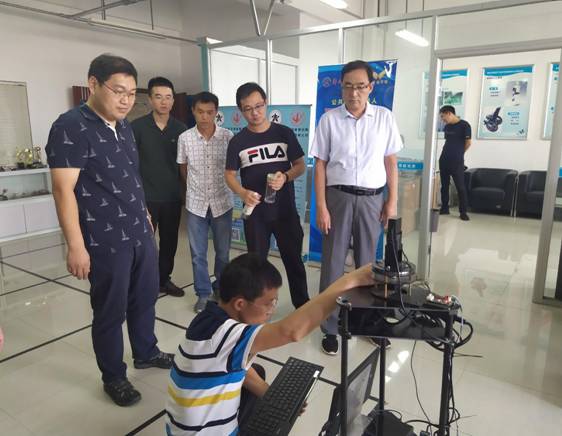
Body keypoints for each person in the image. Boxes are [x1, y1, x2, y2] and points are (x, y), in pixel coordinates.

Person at [45, 54, 173, 407]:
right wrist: (75, 246)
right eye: (118, 91)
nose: (126, 100)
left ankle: (146, 351)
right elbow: (63, 190)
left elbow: (129, 175)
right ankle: (114, 376)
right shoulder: (71, 126)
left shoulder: (124, 126)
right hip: (105, 239)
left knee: (145, 298)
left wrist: (144, 211)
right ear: (93, 84)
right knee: (110, 311)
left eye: (132, 93)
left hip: (139, 231)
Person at [165, 253, 375, 435]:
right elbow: (291, 331)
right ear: (240, 304)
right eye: (268, 303)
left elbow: (242, 370)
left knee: (257, 370)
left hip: (183, 428)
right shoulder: (224, 335)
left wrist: (273, 397)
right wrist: (350, 280)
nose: (271, 310)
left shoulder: (210, 318)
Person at [310, 60, 403, 355]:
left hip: (373, 199)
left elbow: (390, 161)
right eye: (348, 86)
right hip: (337, 198)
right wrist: (321, 206)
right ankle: (330, 327)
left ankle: (368, 323)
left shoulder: (384, 118)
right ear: (341, 87)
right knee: (333, 264)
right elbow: (320, 165)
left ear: (370, 87)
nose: (354, 93)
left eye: (360, 86)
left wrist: (392, 200)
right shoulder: (329, 120)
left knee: (368, 266)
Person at [225, 82, 309, 309]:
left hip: (285, 212)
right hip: (256, 216)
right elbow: (229, 175)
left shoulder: (284, 133)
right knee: (257, 267)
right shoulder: (238, 142)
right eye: (248, 108)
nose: (255, 113)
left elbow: (300, 165)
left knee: (294, 261)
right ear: (240, 111)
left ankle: (302, 306)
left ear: (266, 103)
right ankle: (259, 308)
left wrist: (286, 176)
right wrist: (242, 192)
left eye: (259, 106)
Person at [177, 91, 234, 313]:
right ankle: (203, 293)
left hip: (222, 202)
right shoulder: (185, 138)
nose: (204, 117)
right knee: (197, 254)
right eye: (200, 112)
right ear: (193, 111)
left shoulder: (228, 137)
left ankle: (221, 289)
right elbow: (183, 168)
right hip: (196, 204)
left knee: (223, 253)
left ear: (216, 112)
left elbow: (232, 169)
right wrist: (194, 189)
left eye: (209, 112)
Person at [131, 77, 187, 297]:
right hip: (146, 198)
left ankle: (163, 280)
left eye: (168, 97)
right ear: (150, 100)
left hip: (172, 197)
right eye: (158, 97)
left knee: (169, 243)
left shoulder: (181, 129)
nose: (164, 102)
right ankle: (143, 283)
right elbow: (130, 164)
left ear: (173, 100)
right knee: (143, 245)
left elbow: (185, 166)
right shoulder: (136, 127)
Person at [438, 105, 471, 221]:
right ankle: (444, 208)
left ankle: (463, 212)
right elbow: (448, 142)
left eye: (443, 116)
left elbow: (468, 143)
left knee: (460, 187)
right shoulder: (447, 127)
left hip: (457, 161)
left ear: (449, 113)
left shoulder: (464, 125)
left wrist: (460, 153)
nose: (442, 119)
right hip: (444, 159)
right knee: (444, 186)